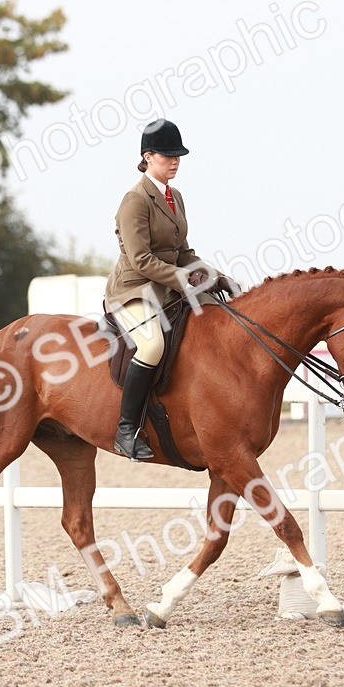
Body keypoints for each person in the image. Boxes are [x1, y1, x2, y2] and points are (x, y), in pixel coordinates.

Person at [104, 118, 234, 460]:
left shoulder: (175, 196)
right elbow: (141, 259)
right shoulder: (134, 200)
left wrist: (216, 276)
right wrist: (182, 278)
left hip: (168, 288)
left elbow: (183, 252)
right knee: (151, 345)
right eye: (167, 155)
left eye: (178, 155)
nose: (175, 161)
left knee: (217, 318)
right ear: (148, 157)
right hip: (133, 290)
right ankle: (126, 430)